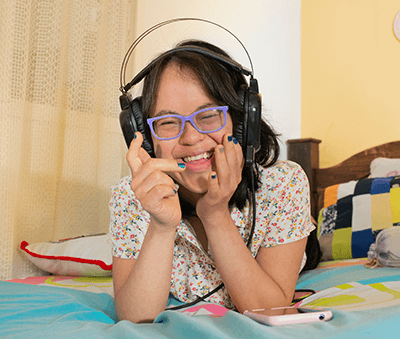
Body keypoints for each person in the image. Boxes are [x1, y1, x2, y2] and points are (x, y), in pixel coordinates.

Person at [109, 39, 316, 323]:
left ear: (242, 122)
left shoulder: (284, 183)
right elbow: (136, 320)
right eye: (168, 122)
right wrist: (161, 226)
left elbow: (271, 311)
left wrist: (215, 214)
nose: (191, 138)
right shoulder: (130, 195)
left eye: (208, 116)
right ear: (145, 138)